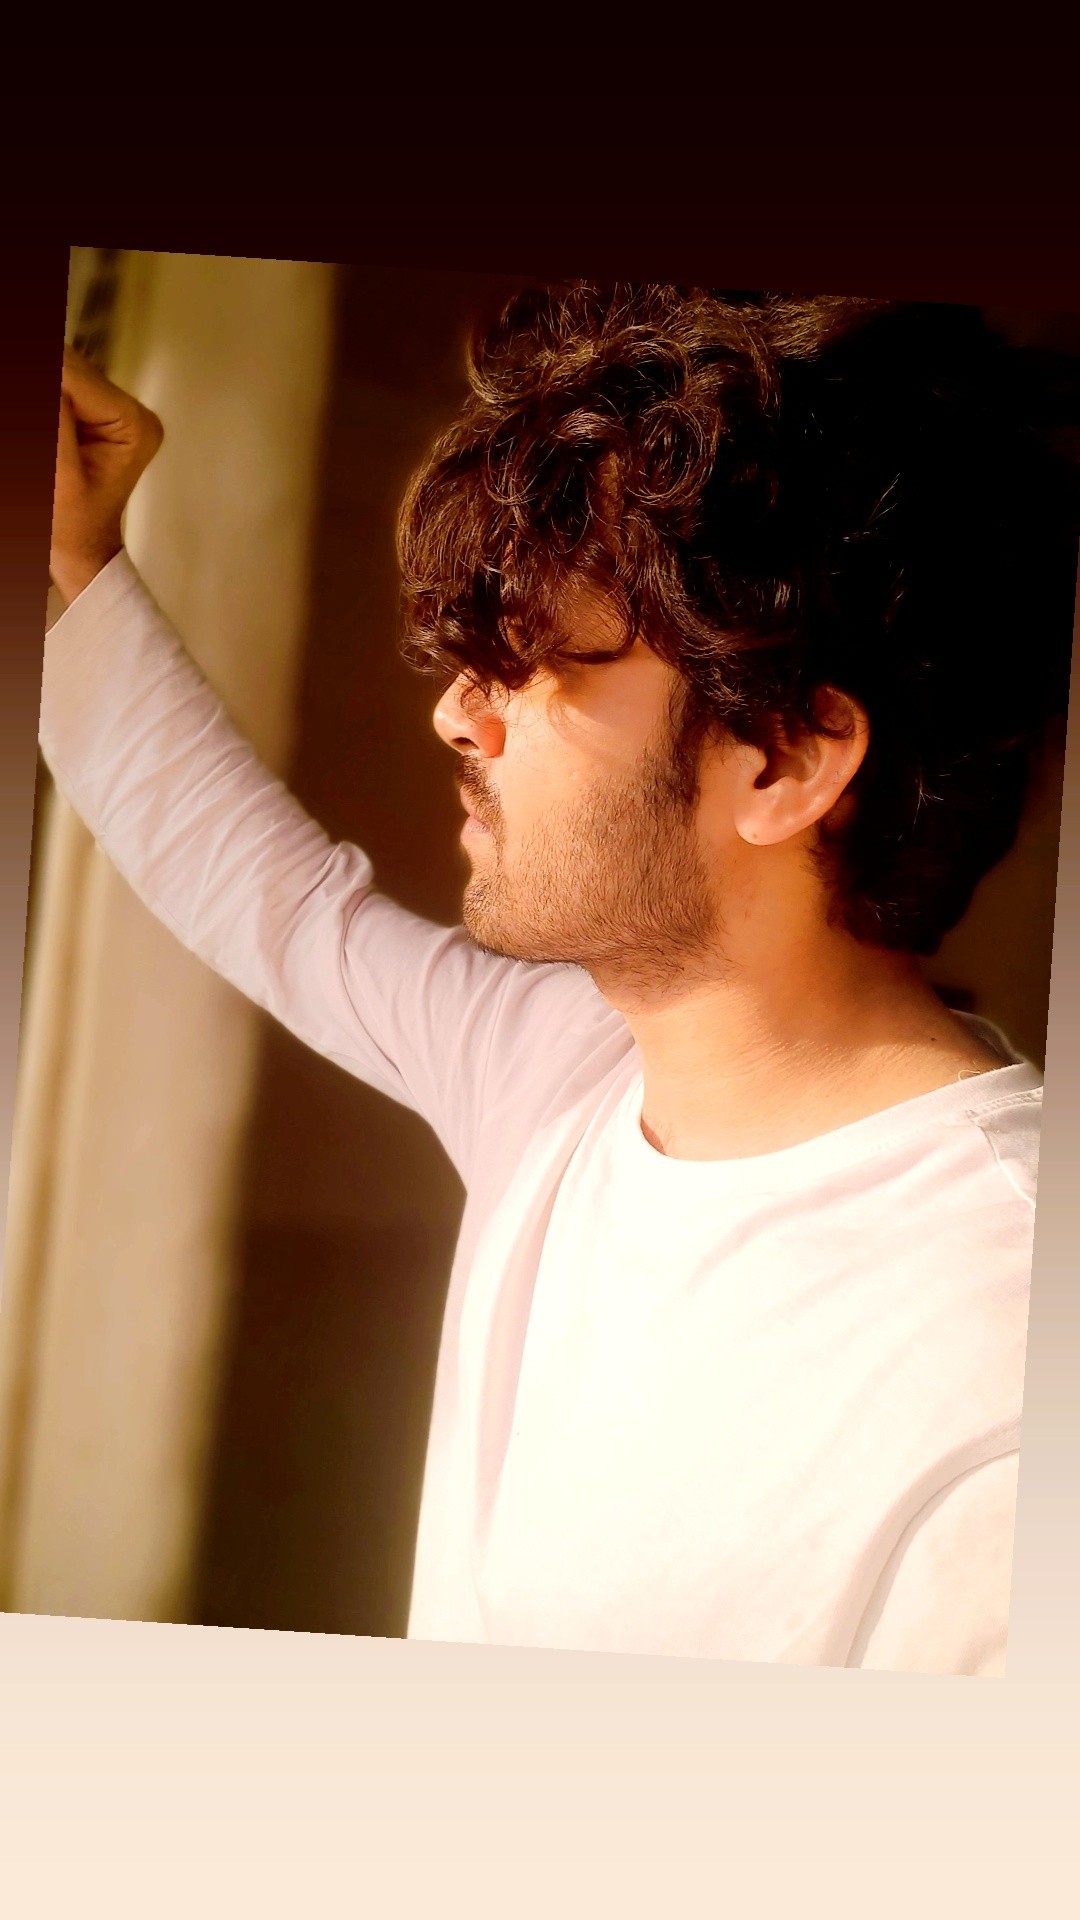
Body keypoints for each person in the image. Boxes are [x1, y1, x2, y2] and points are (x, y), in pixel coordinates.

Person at [42, 287, 1077, 1674]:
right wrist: (74, 554)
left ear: (784, 759)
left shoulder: (1002, 1356)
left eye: (525, 664)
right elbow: (272, 904)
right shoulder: (565, 1069)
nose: (455, 714)